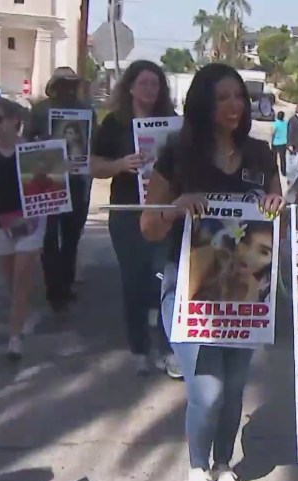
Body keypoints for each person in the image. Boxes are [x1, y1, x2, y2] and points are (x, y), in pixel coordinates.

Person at [140, 63, 285, 481]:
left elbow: (278, 215)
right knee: (209, 390)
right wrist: (174, 208)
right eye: (223, 97)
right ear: (204, 104)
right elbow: (147, 226)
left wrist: (278, 204)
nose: (234, 106)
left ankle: (223, 465)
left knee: (235, 386)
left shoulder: (261, 155)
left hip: (245, 294)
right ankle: (196, 470)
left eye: (239, 96)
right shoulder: (178, 155)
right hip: (188, 290)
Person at [91, 60, 179, 378]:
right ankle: (139, 348)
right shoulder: (115, 124)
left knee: (165, 279)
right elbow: (93, 166)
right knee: (133, 281)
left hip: (163, 212)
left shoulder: (172, 125)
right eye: (143, 83)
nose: (150, 90)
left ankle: (169, 349)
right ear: (129, 87)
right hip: (126, 212)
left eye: (155, 84)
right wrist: (119, 165)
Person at [24, 66, 97, 313]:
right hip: (49, 178)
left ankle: (65, 284)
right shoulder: (41, 110)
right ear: (54, 85)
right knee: (48, 236)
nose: (67, 87)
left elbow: (92, 145)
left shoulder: (87, 111)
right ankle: (54, 289)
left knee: (71, 235)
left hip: (77, 180)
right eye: (62, 83)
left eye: (71, 83)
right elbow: (27, 140)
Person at [0, 98, 44, 360]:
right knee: (11, 279)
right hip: (0, 222)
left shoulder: (35, 151)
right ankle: (26, 313)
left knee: (20, 279)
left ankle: (14, 338)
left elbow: (52, 187)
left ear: (14, 120)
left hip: (31, 222)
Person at [271, 110, 287, 175]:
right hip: (283, 142)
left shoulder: (275, 123)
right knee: (283, 158)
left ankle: (274, 170)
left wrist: (271, 141)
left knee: (274, 157)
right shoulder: (285, 123)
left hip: (276, 142)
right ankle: (283, 171)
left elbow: (273, 133)